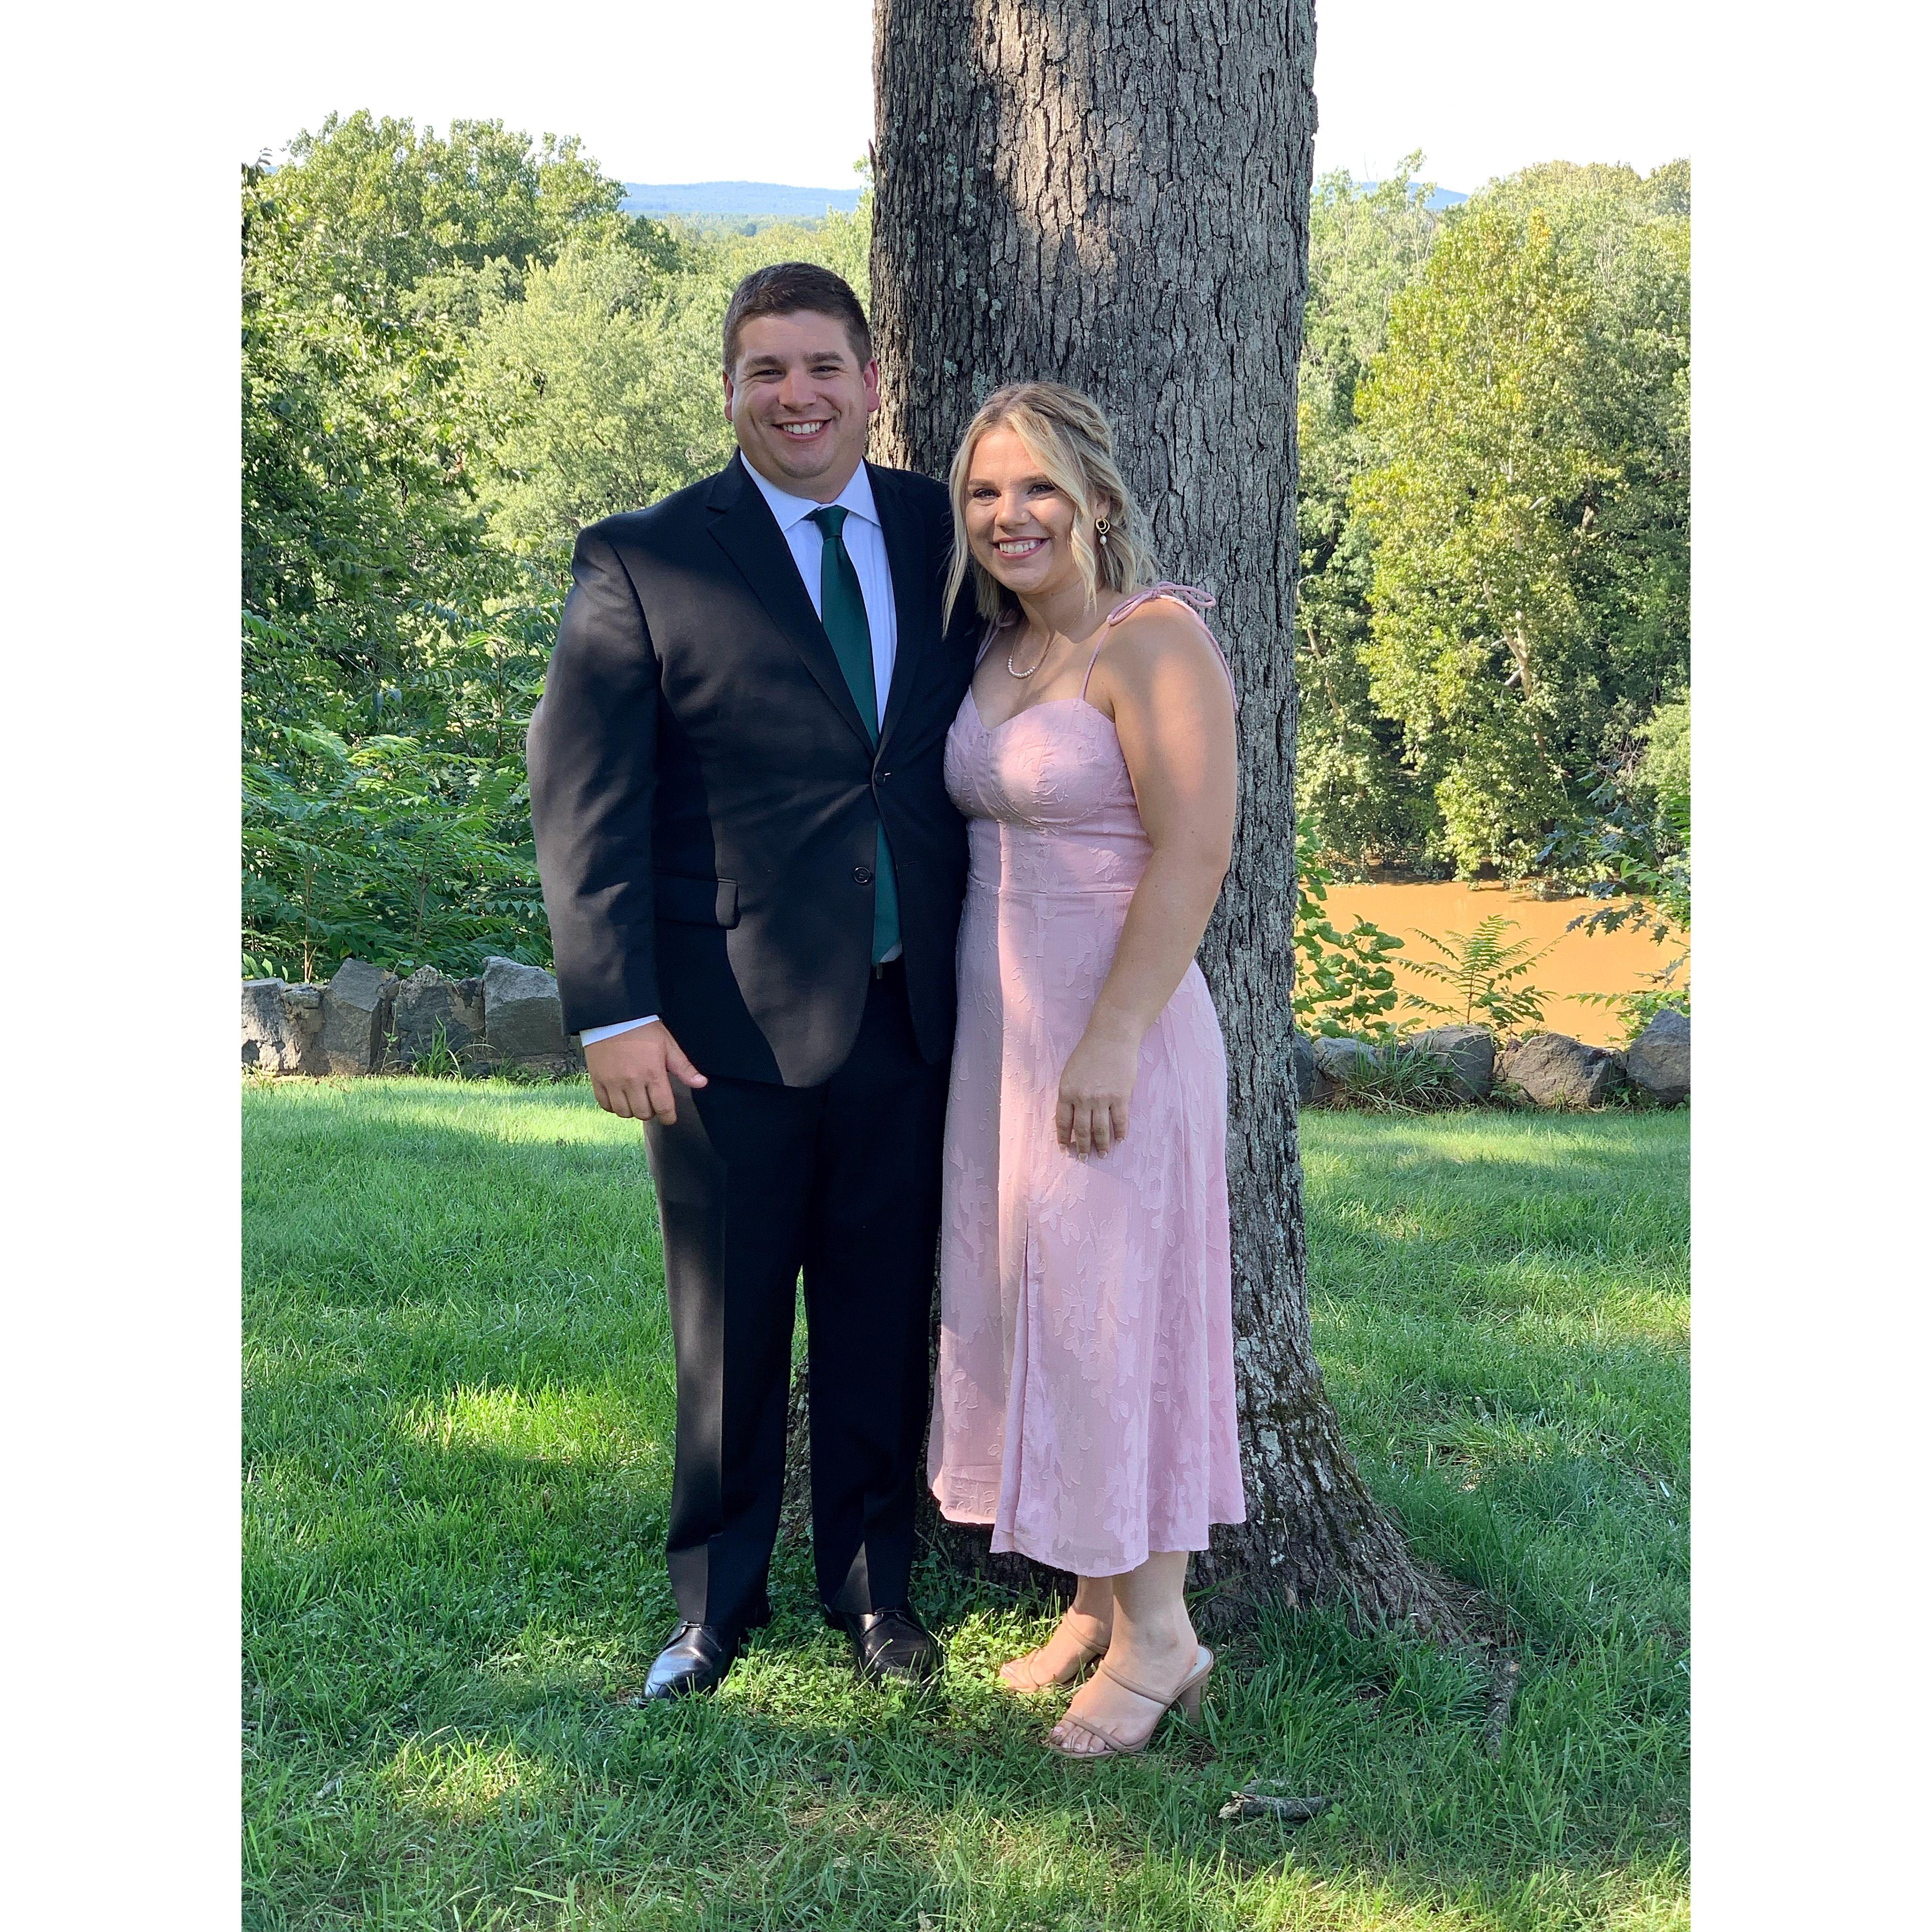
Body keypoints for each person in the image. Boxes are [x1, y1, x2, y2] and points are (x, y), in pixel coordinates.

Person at [528, 263, 977, 1699]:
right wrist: (613, 1009)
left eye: (823, 367)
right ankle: (713, 1607)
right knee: (725, 1331)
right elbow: (583, 800)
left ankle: (875, 1594)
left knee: (878, 1314)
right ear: (728, 391)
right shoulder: (644, 558)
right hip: (717, 1026)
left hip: (913, 1009)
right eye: (766, 370)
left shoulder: (946, 532)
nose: (798, 396)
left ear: (871, 383)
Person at [926, 381, 1246, 1759]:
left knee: (1119, 1317)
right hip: (1003, 1038)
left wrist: (1112, 1036)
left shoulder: (1153, 639)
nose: (1011, 516)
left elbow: (1197, 850)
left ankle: (1163, 1638)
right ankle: (1096, 1602)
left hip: (1118, 1031)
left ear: (1098, 502)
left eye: (1039, 487)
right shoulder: (999, 650)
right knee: (1038, 1310)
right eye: (985, 493)